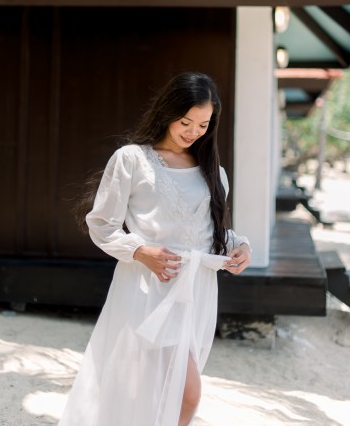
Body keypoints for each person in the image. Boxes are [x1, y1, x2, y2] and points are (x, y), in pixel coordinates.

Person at [58, 71, 251, 426]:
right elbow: (102, 223)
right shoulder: (132, 160)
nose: (193, 132)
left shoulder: (214, 172)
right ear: (167, 112)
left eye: (203, 124)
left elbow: (211, 231)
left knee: (157, 389)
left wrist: (240, 248)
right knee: (184, 392)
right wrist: (140, 251)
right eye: (185, 121)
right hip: (149, 288)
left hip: (196, 289)